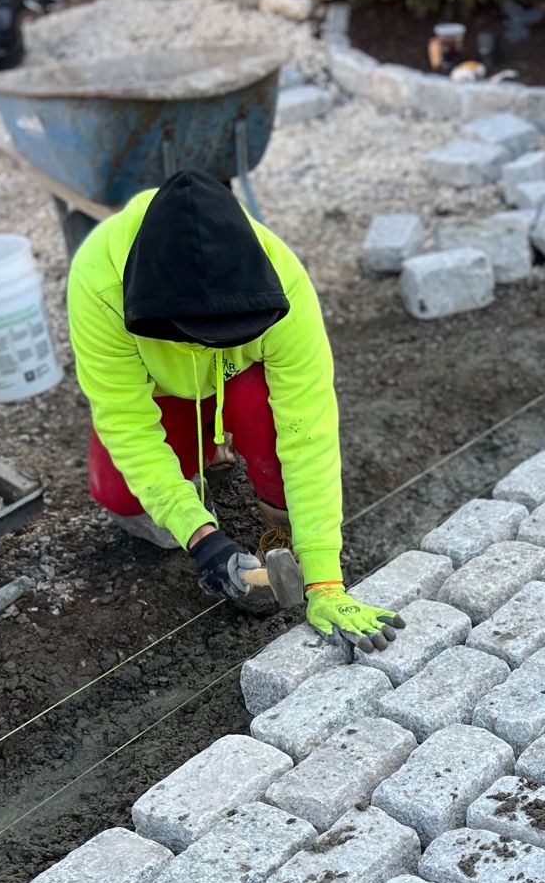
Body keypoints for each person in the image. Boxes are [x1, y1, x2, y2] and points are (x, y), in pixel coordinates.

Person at [66, 169, 403, 648]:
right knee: (122, 495)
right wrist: (200, 536)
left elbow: (309, 430)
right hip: (164, 393)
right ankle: (203, 453)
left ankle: (282, 528)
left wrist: (326, 579)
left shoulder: (281, 281)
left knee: (266, 412)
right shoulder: (99, 285)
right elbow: (127, 423)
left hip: (239, 386)